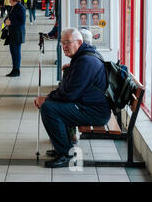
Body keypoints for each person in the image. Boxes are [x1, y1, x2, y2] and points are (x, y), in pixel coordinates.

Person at [34, 28, 111, 168]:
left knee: (49, 108)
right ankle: (63, 146)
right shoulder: (83, 56)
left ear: (79, 42)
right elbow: (69, 89)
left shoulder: (85, 61)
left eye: (68, 42)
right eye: (62, 43)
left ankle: (66, 154)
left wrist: (47, 98)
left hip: (94, 111)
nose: (64, 46)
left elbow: (69, 94)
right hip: (88, 105)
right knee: (53, 104)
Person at [4, 0, 26, 77]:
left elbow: (22, 21)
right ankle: (14, 69)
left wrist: (11, 22)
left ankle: (16, 70)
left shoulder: (20, 8)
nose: (9, 0)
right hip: (13, 33)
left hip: (17, 33)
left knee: (16, 52)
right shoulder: (13, 7)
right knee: (13, 51)